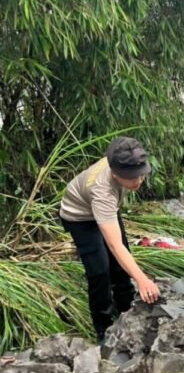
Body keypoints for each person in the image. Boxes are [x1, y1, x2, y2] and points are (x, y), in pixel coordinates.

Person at [60, 137, 160, 341]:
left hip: (105, 211)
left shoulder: (121, 158)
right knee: (100, 270)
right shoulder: (102, 191)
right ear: (115, 173)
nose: (138, 181)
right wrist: (143, 280)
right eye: (132, 178)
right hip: (80, 217)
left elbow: (121, 249)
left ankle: (127, 308)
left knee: (121, 264)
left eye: (140, 176)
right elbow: (115, 246)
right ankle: (103, 330)